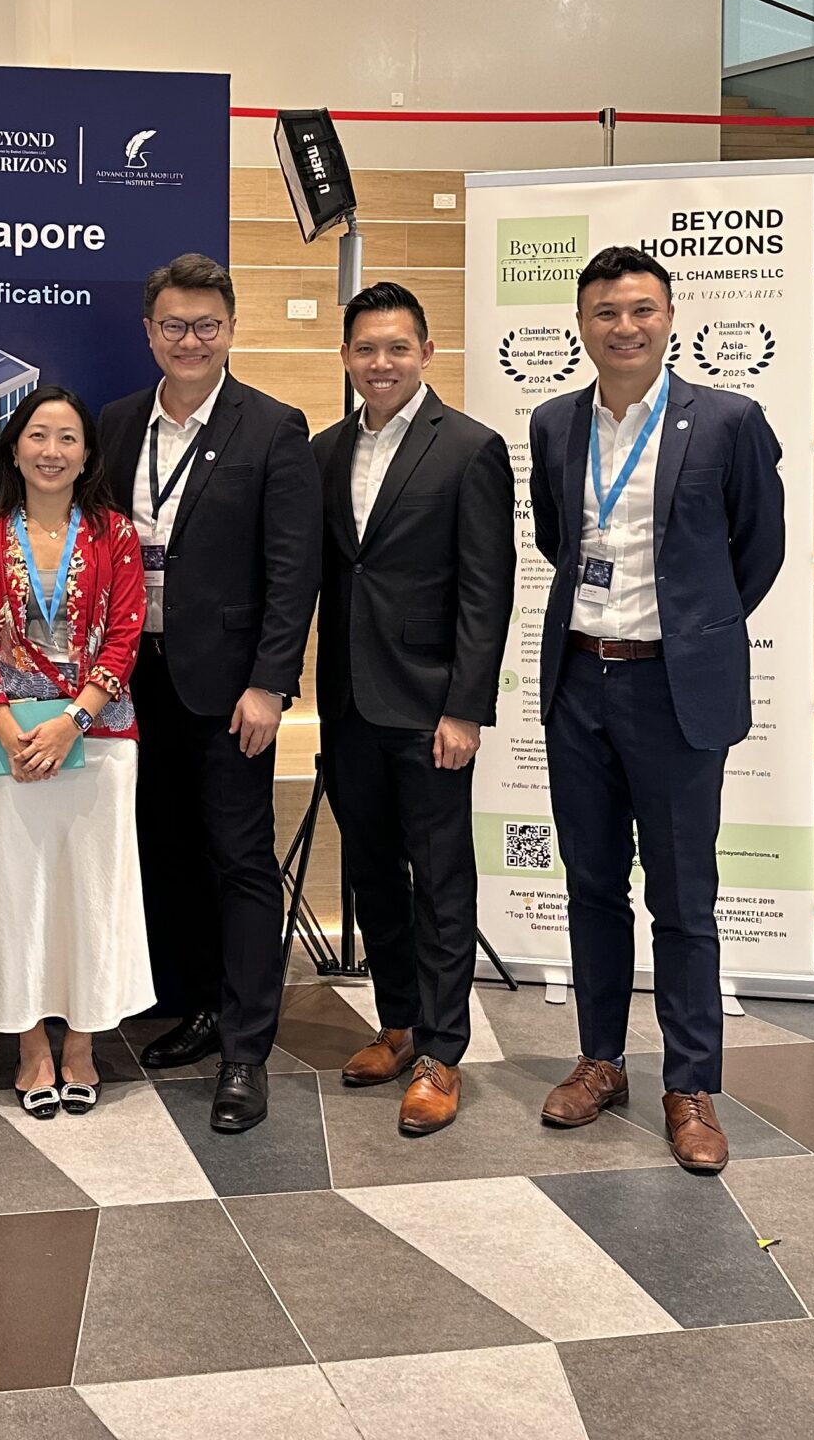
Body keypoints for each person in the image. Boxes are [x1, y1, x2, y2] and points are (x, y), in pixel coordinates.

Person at [528, 246, 784, 1174]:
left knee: (682, 898)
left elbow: (757, 550)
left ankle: (691, 1084)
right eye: (605, 312)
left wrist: (689, 632)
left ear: (670, 317)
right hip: (578, 683)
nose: (624, 327)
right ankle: (601, 1061)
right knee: (592, 885)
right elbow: (559, 540)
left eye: (641, 310)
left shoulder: (727, 421)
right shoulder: (554, 423)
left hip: (674, 690)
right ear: (582, 325)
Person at [103, 253, 323, 1134]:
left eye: (206, 326)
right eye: (174, 326)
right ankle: (197, 1003)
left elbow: (292, 570)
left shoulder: (272, 426)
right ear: (148, 332)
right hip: (132, 682)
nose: (189, 341)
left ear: (230, 329)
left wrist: (271, 683)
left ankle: (245, 1048)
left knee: (239, 858)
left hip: (230, 687)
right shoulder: (118, 423)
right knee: (167, 850)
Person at [310, 283, 514, 1138]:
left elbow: (486, 591)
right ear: (346, 357)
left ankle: (442, 1051)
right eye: (366, 348)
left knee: (441, 881)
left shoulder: (469, 448)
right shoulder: (325, 451)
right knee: (371, 873)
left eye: (398, 347)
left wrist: (465, 709)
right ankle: (397, 1024)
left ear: (426, 352)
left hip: (431, 709)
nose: (381, 363)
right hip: (349, 702)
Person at [0, 386, 152, 1116]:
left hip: (99, 740)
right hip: (8, 744)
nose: (52, 451)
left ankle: (82, 1044)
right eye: (38, 435)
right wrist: (9, 733)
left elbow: (125, 637)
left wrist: (71, 721)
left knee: (93, 896)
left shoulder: (115, 535)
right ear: (14, 449)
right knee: (18, 894)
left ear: (88, 455)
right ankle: (32, 1045)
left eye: (68, 438)